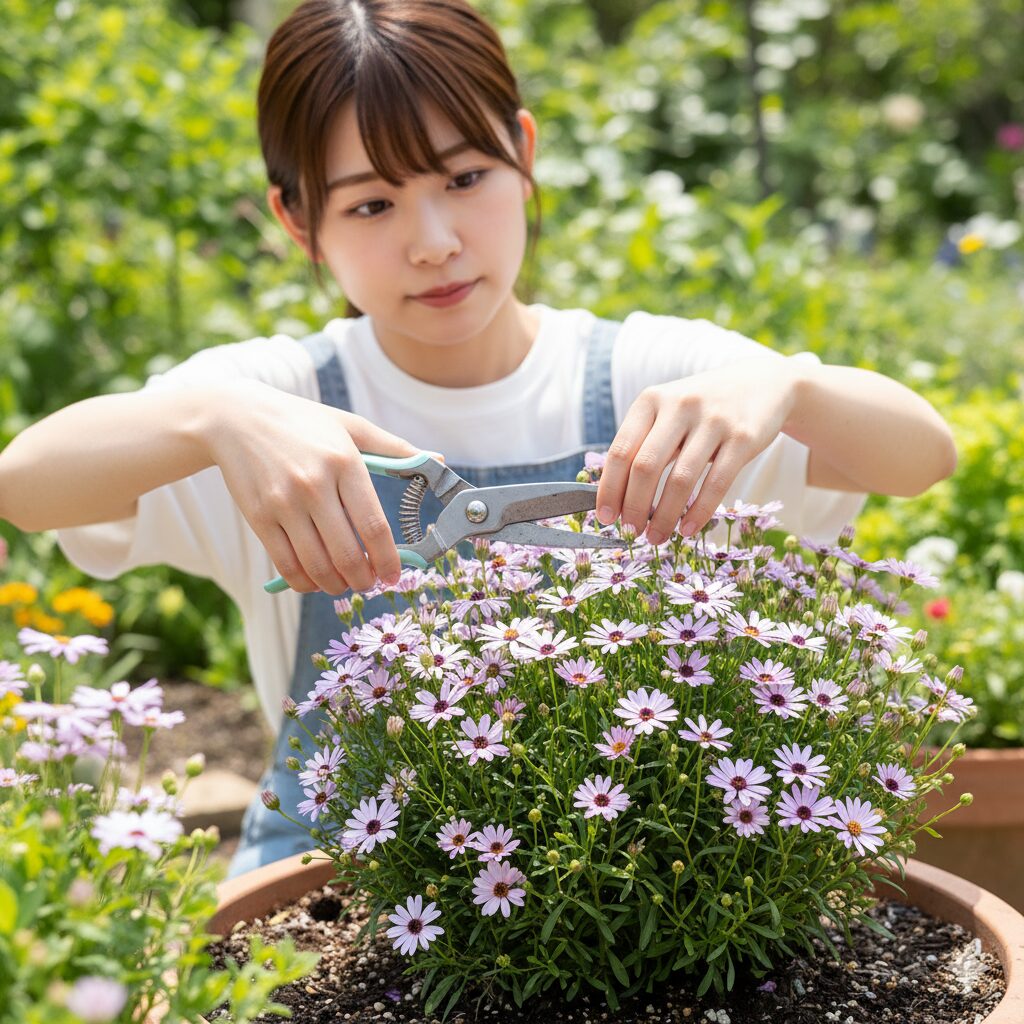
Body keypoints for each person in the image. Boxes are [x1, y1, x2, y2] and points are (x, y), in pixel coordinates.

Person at [0, 0, 956, 876]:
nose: (434, 240)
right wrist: (207, 418)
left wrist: (788, 380)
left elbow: (922, 457)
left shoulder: (647, 374)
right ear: (297, 218)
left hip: (630, 876)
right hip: (336, 886)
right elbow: (28, 483)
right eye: (371, 203)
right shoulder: (275, 399)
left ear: (524, 151)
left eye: (465, 177)